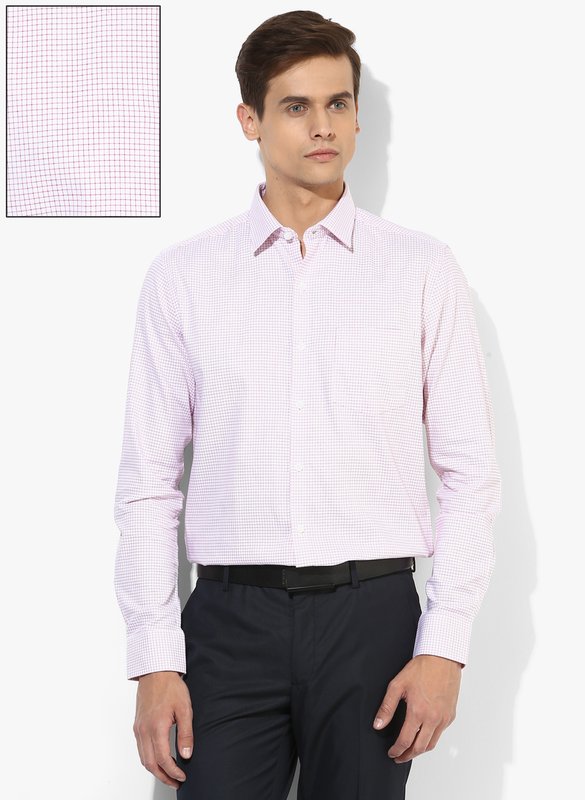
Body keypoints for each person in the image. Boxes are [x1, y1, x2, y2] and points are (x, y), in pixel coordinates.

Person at [113, 10, 502, 799]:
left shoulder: (421, 270)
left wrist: (443, 646)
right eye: (295, 106)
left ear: (356, 116)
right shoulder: (184, 278)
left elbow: (470, 473)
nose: (322, 126)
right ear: (249, 121)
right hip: (229, 621)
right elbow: (149, 482)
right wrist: (153, 659)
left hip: (372, 621)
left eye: (338, 103)